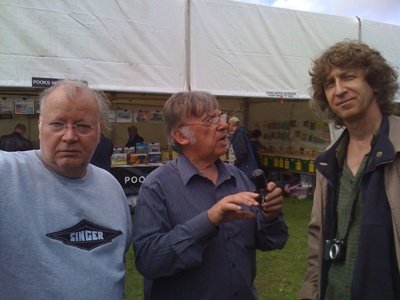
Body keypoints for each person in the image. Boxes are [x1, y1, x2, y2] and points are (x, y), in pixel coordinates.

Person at [133, 91, 288, 300]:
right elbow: (149, 260)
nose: (223, 125)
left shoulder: (237, 177)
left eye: (220, 116)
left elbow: (272, 241)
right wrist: (209, 220)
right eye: (210, 120)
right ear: (181, 136)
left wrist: (270, 215)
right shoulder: (157, 186)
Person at [0, 80, 132, 299]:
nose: (70, 136)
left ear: (99, 132)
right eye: (58, 124)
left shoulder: (111, 186)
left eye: (82, 126)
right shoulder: (7, 172)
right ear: (41, 126)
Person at [298, 40, 400, 300]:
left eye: (348, 77)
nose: (339, 90)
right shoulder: (327, 162)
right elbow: (317, 240)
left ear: (375, 83)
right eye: (330, 83)